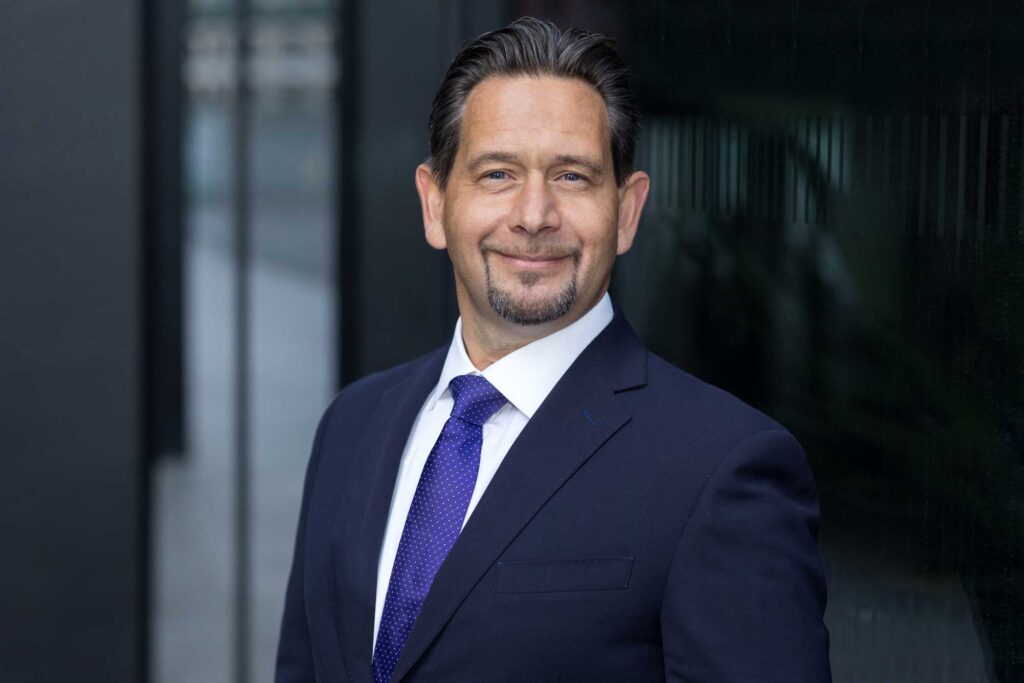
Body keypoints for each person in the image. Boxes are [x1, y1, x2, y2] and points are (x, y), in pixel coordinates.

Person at [276, 17, 830, 683]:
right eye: (498, 173)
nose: (533, 214)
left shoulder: (723, 468)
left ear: (626, 211)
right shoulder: (351, 425)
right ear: (434, 203)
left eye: (571, 175)